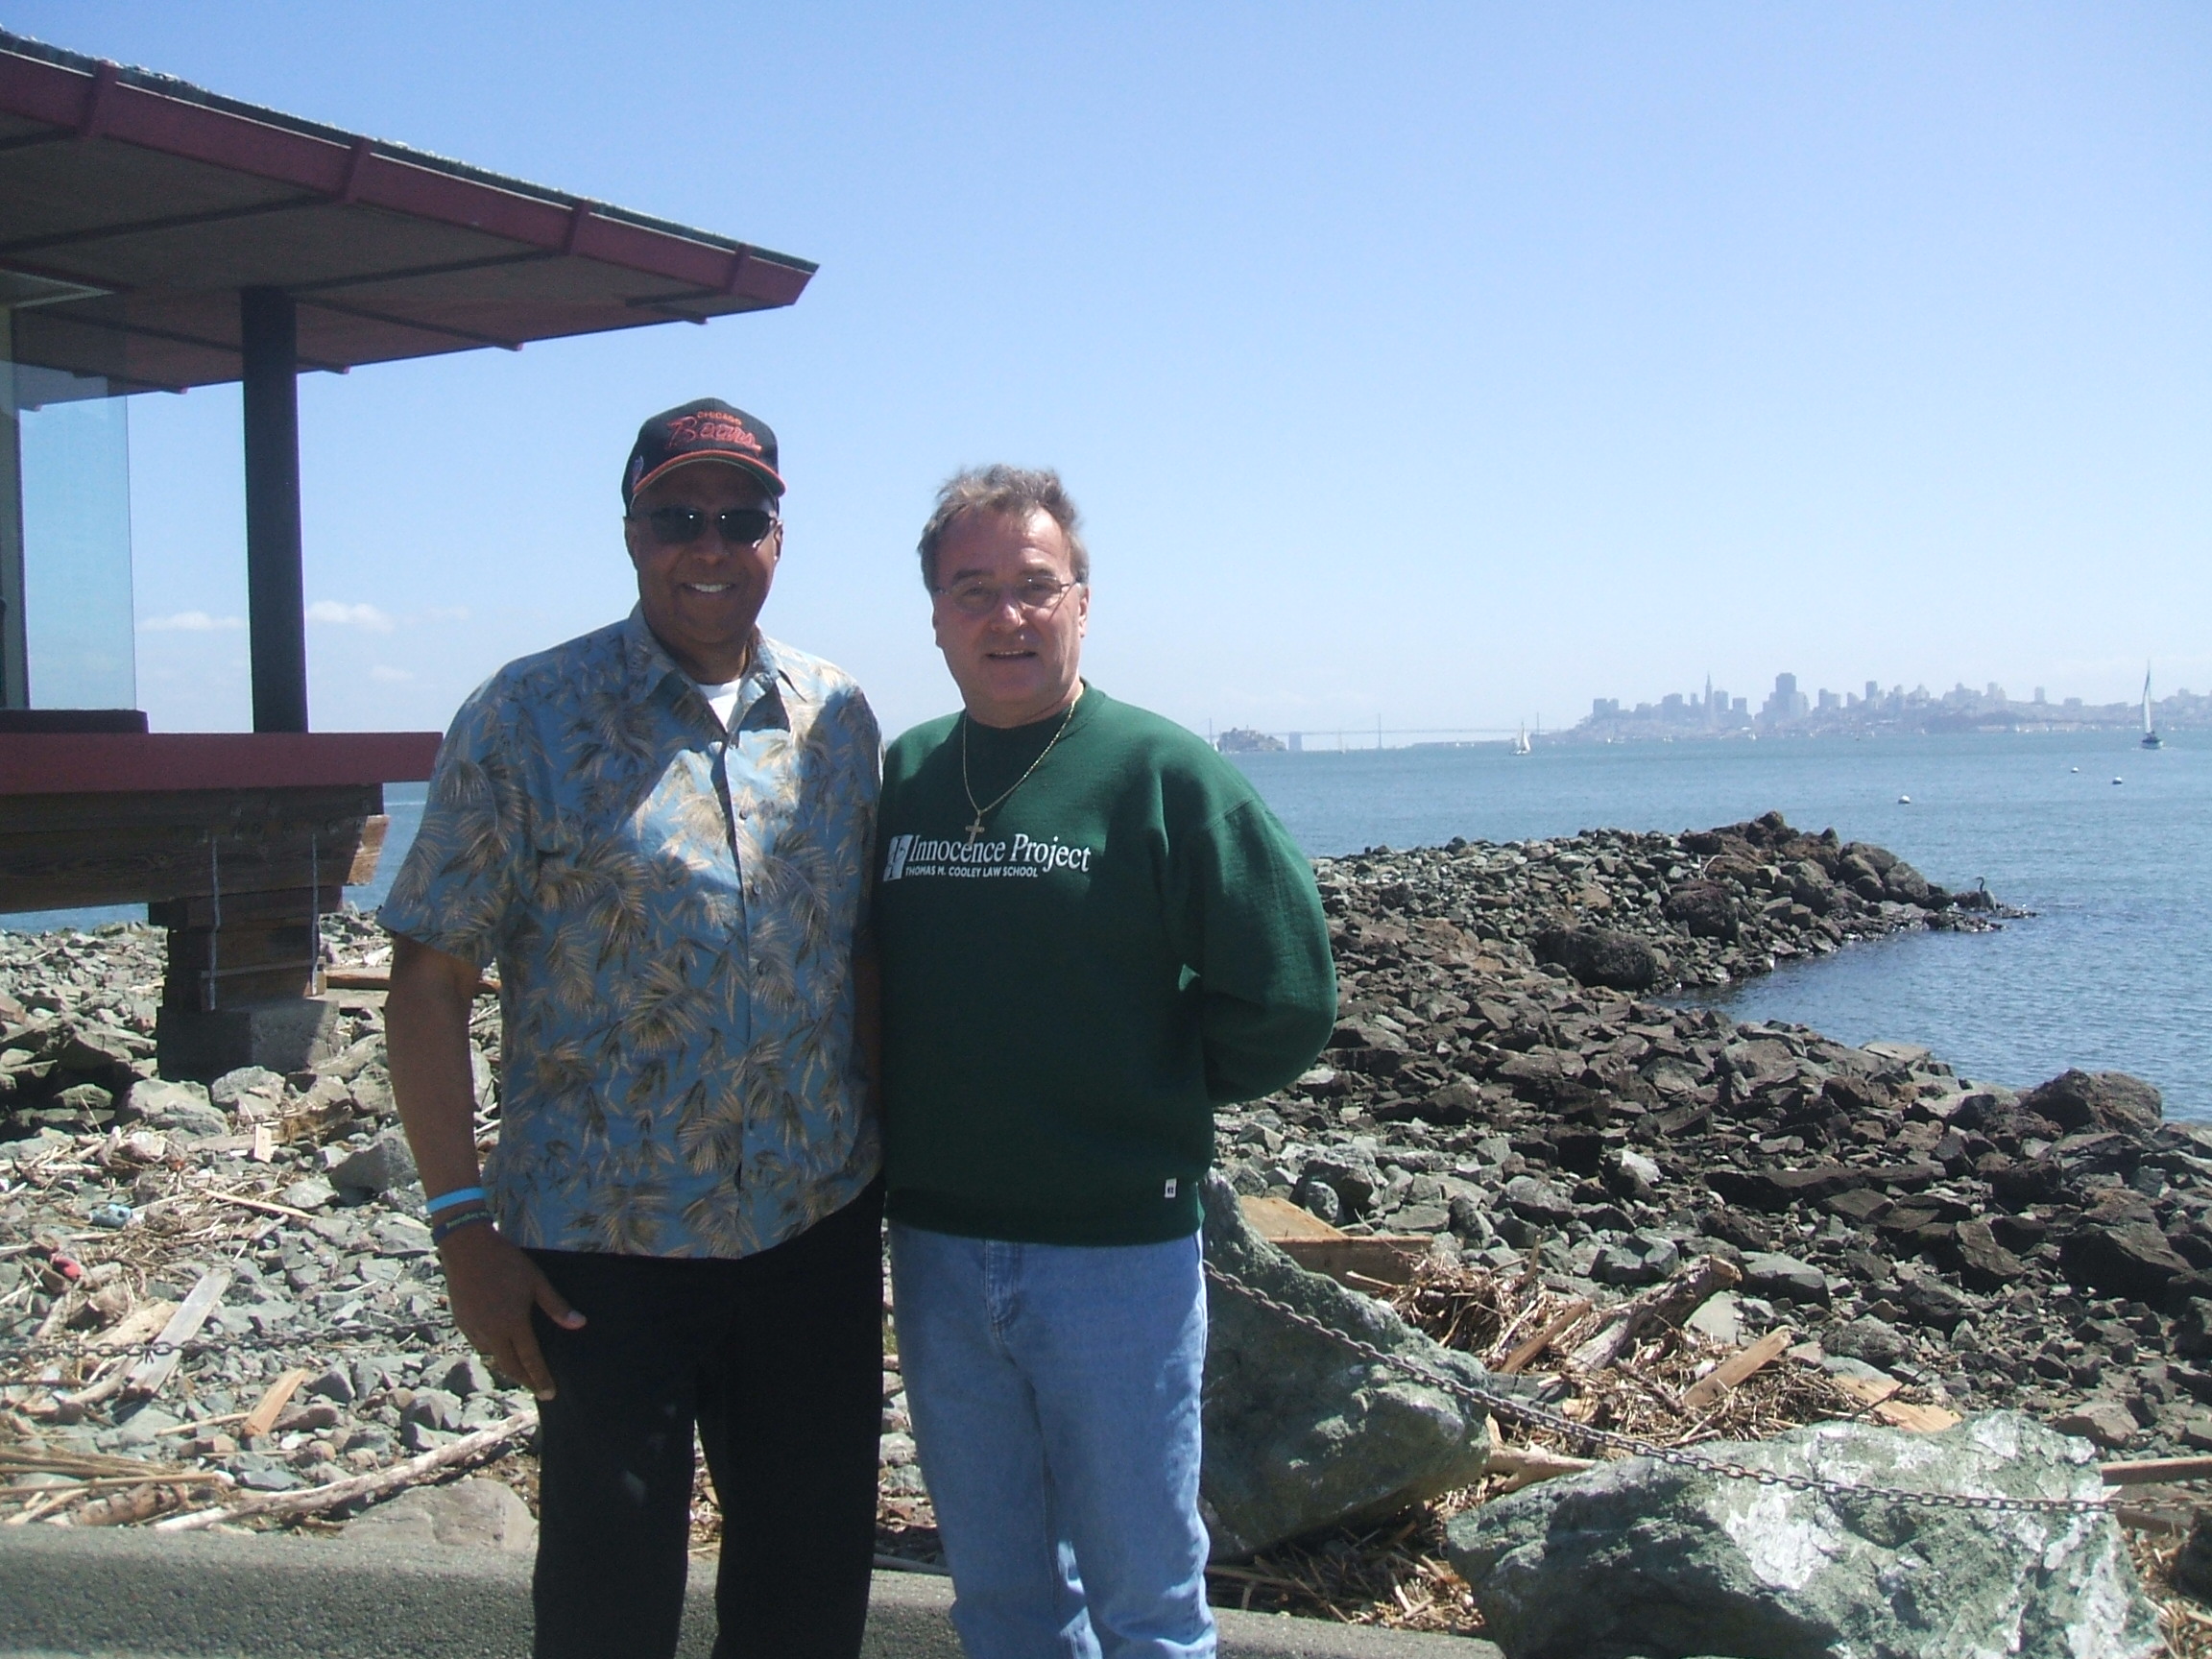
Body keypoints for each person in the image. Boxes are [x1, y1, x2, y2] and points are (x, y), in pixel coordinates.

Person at [379, 398, 884, 1659]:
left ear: (779, 535)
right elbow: (428, 981)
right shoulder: (526, 717)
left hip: (811, 1242)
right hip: (600, 1260)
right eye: (678, 517)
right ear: (631, 530)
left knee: (809, 1604)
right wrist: (459, 1229)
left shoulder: (840, 721)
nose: (707, 545)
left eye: (739, 517)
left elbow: (866, 961)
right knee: (606, 1612)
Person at [873, 467, 1337, 1658]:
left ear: (1084, 602)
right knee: (1005, 1600)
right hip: (935, 1250)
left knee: (1148, 1601)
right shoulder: (906, 774)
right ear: (934, 615)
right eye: (973, 590)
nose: (1006, 616)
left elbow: (1285, 996)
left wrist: (1143, 1090)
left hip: (1117, 1260)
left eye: (1036, 586)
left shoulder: (1163, 773)